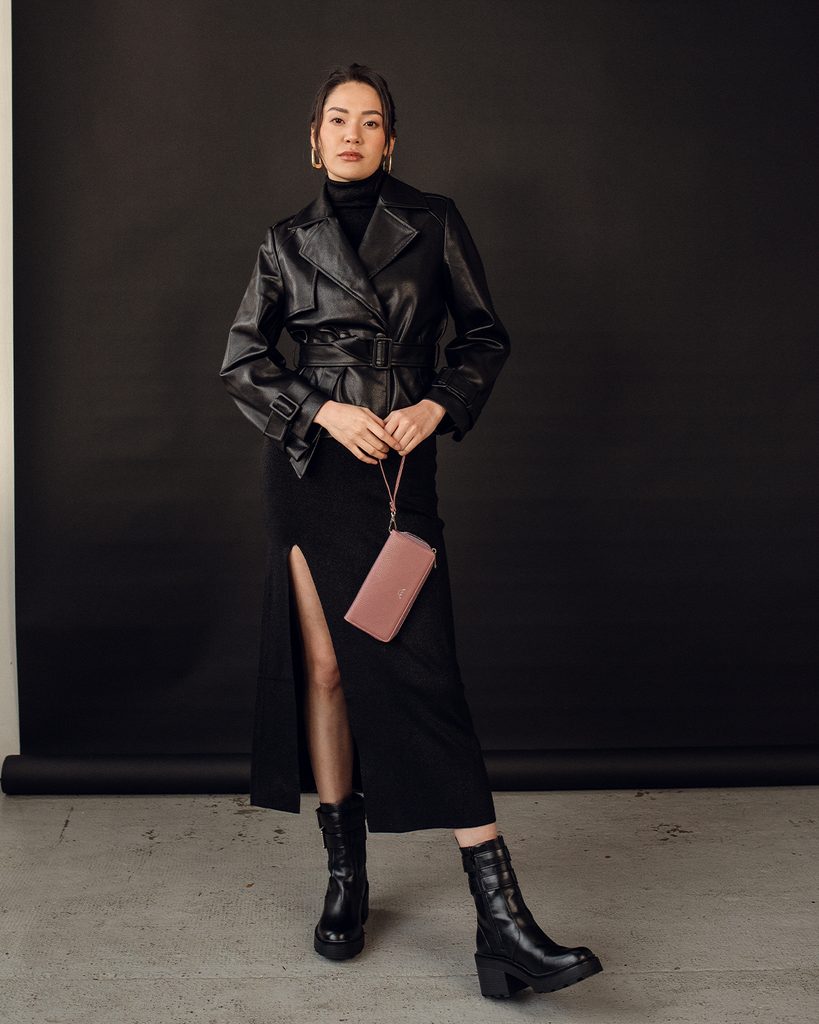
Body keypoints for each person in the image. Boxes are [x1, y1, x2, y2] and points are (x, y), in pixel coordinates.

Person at [220, 62, 603, 999]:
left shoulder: (433, 222)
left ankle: (500, 922)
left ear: (391, 141)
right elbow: (242, 361)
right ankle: (346, 880)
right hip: (311, 472)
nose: (351, 133)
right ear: (313, 140)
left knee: (422, 670)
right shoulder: (285, 241)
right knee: (324, 670)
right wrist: (320, 410)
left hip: (398, 471)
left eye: (370, 121)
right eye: (336, 119)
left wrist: (436, 405)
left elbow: (483, 338)